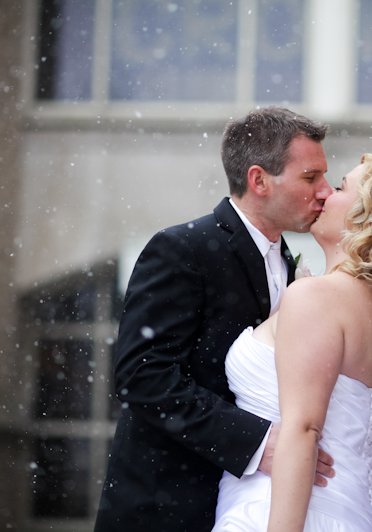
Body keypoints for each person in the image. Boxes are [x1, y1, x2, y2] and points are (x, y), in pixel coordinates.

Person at [94, 107, 337, 532]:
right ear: (259, 180)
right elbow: (142, 375)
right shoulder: (182, 249)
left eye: (325, 177)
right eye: (310, 177)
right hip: (168, 510)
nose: (326, 192)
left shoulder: (290, 263)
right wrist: (259, 445)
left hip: (250, 507)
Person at [212, 152, 372, 532]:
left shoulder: (318, 297)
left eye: (339, 187)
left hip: (287, 513)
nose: (324, 193)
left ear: (368, 217)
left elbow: (303, 430)